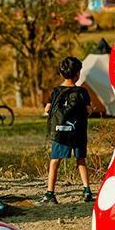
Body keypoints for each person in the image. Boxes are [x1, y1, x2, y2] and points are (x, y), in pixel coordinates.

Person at [39, 56, 94, 205]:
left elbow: (47, 109)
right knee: (81, 160)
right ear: (77, 74)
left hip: (60, 133)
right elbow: (88, 111)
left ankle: (50, 193)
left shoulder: (56, 91)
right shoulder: (82, 92)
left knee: (55, 161)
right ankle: (87, 191)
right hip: (77, 132)